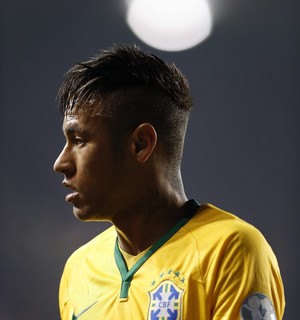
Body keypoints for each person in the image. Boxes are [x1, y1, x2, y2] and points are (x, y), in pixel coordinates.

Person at [53, 45, 285, 320]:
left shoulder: (231, 249)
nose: (61, 163)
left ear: (141, 144)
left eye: (79, 140)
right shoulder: (78, 269)